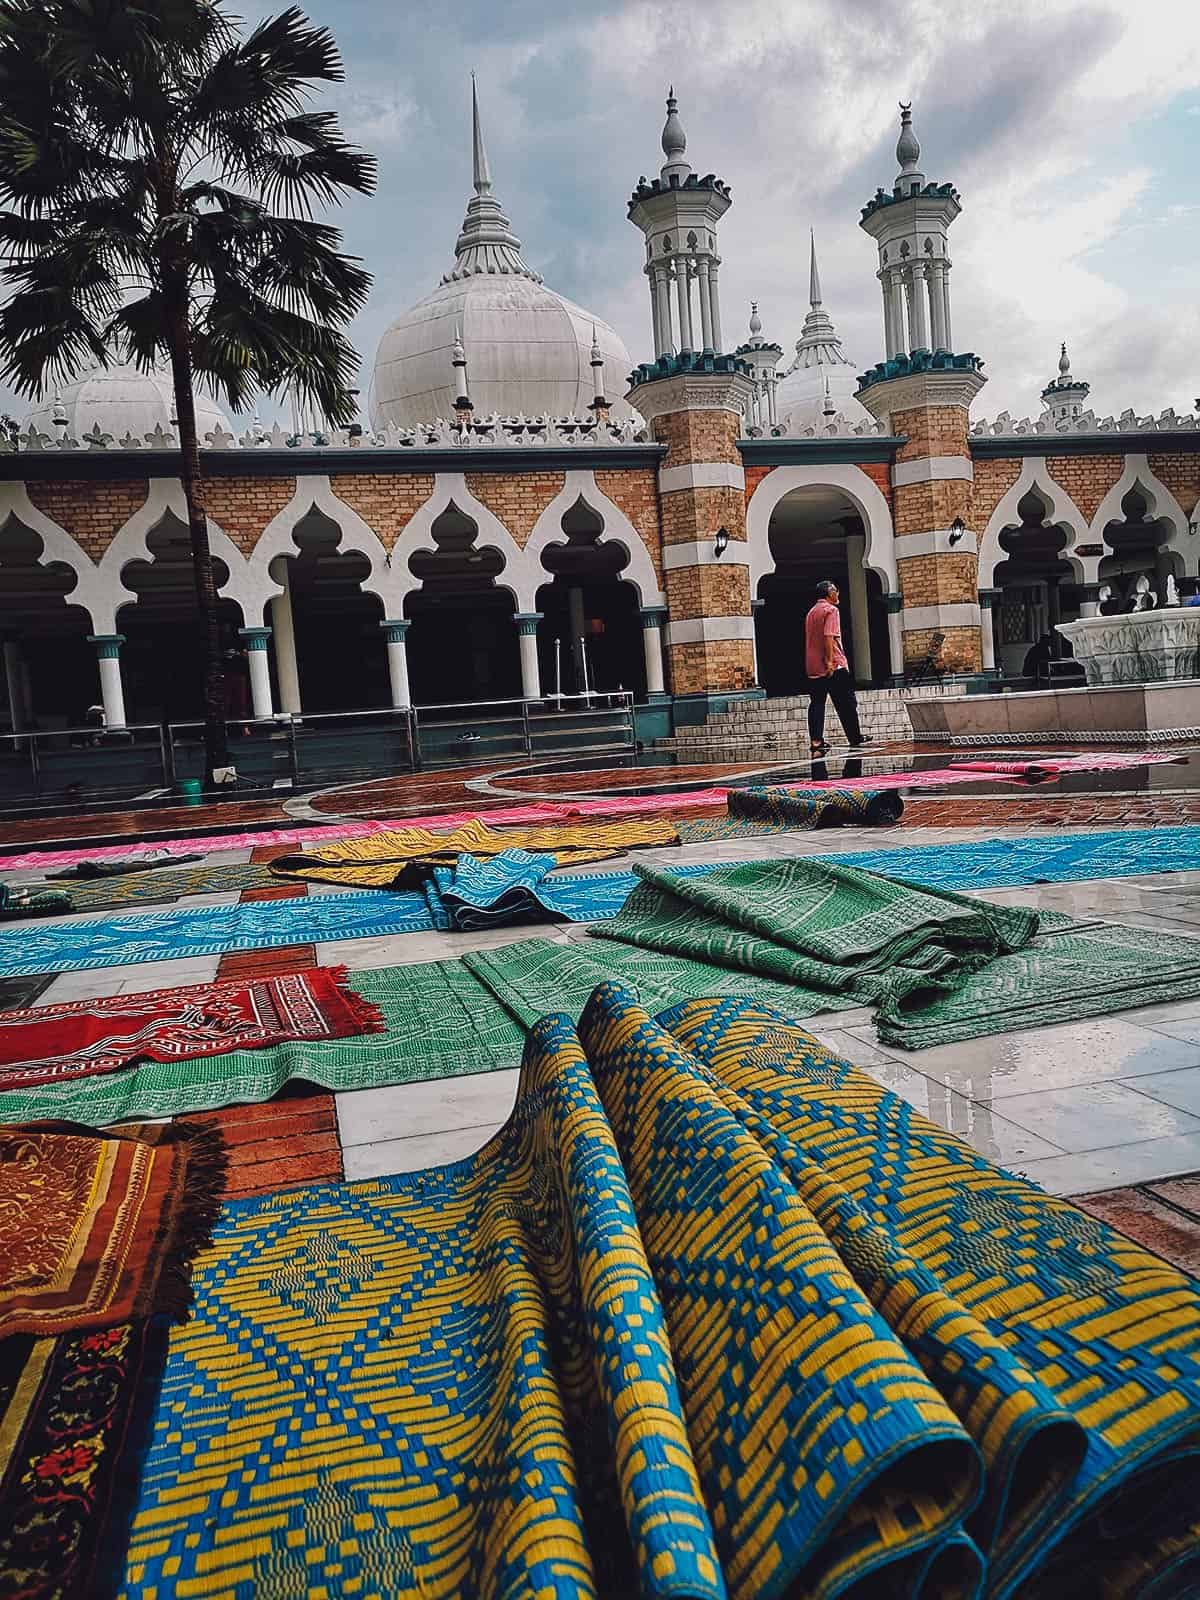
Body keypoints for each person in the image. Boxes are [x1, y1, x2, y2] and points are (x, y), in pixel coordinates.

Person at [804, 579, 864, 755]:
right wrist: (830, 661)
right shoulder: (831, 610)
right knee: (847, 702)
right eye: (835, 590)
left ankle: (816, 740)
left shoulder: (811, 612)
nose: (838, 594)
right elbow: (828, 636)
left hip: (813, 665)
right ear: (829, 593)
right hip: (833, 665)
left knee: (816, 703)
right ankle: (854, 736)